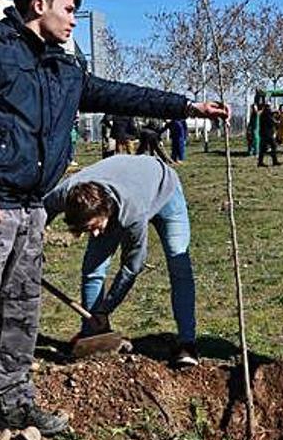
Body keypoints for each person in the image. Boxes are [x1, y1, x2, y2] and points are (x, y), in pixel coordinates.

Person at [0, 0, 229, 440]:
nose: (73, 18)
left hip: (32, 207)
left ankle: (15, 401)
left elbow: (121, 95)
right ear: (39, 3)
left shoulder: (62, 68)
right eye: (68, 7)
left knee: (22, 311)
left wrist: (186, 106)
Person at [44, 155, 199, 366]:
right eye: (88, 229)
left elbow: (132, 266)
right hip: (123, 190)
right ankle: (92, 334)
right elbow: (41, 212)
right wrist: (29, 247)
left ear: (104, 211)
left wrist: (105, 309)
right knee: (93, 268)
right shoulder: (66, 193)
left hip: (164, 189)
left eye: (95, 227)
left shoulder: (132, 212)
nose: (95, 235)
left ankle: (187, 343)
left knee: (178, 264)